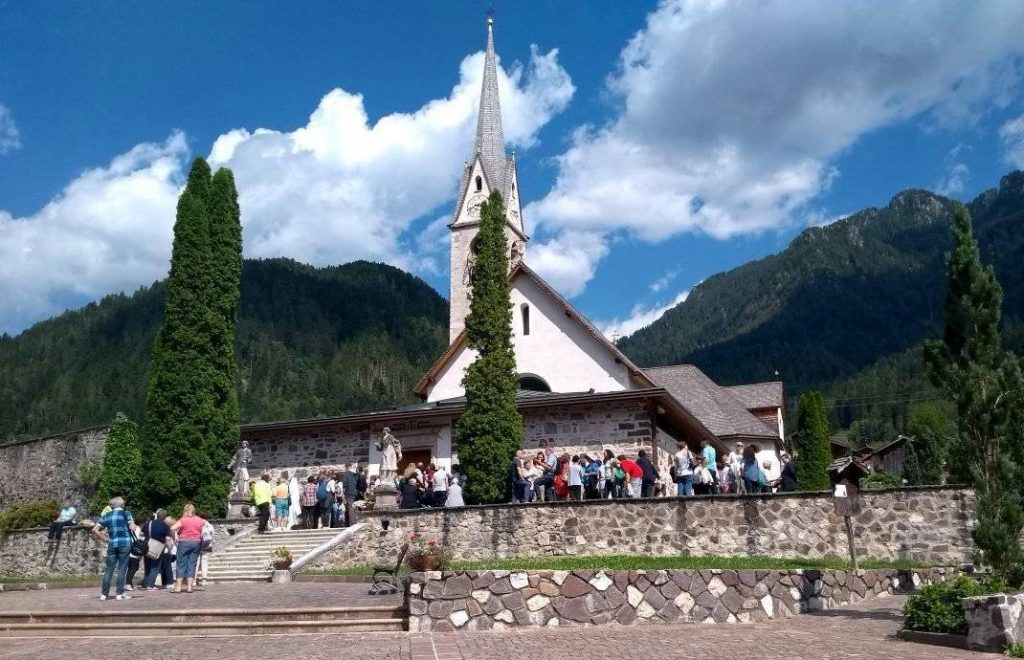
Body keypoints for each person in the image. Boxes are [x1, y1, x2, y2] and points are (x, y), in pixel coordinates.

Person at [91, 496, 137, 601]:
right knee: (122, 569)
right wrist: (134, 526)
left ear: (113, 505)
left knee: (109, 570)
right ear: (122, 504)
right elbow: (132, 527)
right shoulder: (126, 513)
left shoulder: (107, 515)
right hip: (124, 543)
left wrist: (105, 539)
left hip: (112, 544)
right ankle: (119, 594)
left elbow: (95, 530)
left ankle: (104, 594)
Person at [169, 503, 204, 594]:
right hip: (196, 543)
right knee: (192, 564)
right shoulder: (199, 520)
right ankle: (189, 587)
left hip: (184, 542)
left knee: (181, 564)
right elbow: (205, 528)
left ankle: (178, 587)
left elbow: (172, 528)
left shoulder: (183, 520)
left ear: (185, 510)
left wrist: (174, 537)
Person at [142, 508, 173, 590]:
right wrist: (170, 550)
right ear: (165, 517)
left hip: (147, 545)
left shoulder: (149, 523)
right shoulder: (165, 526)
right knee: (155, 566)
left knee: (147, 566)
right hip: (158, 547)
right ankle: (150, 585)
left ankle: (146, 583)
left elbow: (141, 534)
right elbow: (167, 539)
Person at [125, 513, 148, 591]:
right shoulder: (138, 529)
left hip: (133, 551)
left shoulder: (134, 528)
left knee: (134, 567)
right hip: (134, 552)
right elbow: (139, 539)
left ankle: (130, 584)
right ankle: (128, 584)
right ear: (143, 522)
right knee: (132, 568)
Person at [197, 511, 215, 586]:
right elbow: (212, 536)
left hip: (198, 545)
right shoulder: (210, 525)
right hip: (207, 546)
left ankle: (194, 580)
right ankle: (204, 580)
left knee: (196, 562)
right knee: (204, 562)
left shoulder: (198, 524)